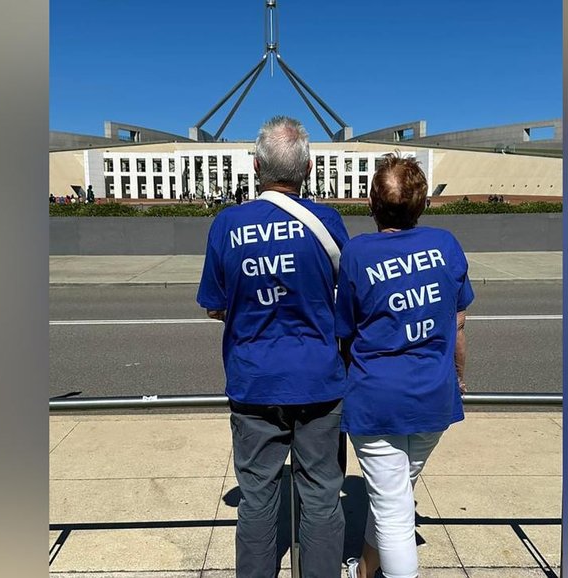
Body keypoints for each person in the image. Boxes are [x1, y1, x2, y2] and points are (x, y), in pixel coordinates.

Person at [197, 116, 349, 578]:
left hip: (254, 379)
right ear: (308, 168)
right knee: (322, 494)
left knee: (258, 497)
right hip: (320, 379)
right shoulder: (327, 222)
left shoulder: (228, 224)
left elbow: (215, 305)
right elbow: (346, 295)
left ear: (257, 165)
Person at [335, 154, 474, 578]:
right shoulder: (446, 244)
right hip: (434, 396)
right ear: (422, 203)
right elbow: (459, 326)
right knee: (394, 496)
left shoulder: (357, 253)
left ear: (371, 203)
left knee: (393, 508)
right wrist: (460, 380)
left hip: (376, 401)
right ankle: (364, 567)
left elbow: (346, 332)